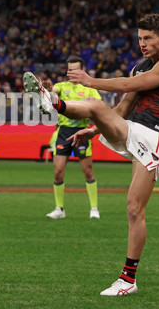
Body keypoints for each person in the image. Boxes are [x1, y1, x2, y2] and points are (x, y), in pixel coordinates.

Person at [23, 14, 159, 296]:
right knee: (94, 107)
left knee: (135, 209)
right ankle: (52, 100)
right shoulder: (141, 68)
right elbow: (122, 110)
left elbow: (126, 86)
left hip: (157, 138)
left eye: (148, 38)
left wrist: (90, 80)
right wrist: (94, 130)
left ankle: (127, 280)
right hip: (135, 129)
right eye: (139, 38)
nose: (142, 44)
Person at [42, 56, 102, 220]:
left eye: (75, 69)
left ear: (82, 70)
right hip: (63, 132)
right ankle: (59, 209)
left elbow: (99, 105)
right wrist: (47, 89)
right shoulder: (62, 86)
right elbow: (53, 91)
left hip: (82, 132)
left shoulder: (90, 88)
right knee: (58, 172)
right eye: (70, 70)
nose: (72, 73)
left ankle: (94, 208)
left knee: (87, 171)